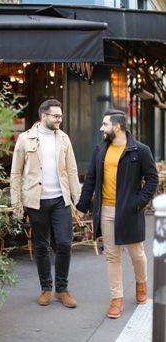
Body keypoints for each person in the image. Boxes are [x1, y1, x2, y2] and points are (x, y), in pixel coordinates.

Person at [76, 109, 158, 319]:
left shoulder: (139, 150)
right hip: (106, 211)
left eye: (105, 124)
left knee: (136, 253)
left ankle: (141, 284)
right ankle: (117, 298)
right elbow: (91, 180)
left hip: (129, 211)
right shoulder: (100, 150)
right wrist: (82, 206)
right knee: (112, 255)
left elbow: (152, 180)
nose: (101, 128)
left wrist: (137, 203)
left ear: (118, 126)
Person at [10, 99, 81, 308]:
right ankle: (46, 288)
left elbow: (72, 170)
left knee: (65, 244)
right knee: (41, 246)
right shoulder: (24, 139)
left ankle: (62, 289)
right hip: (36, 201)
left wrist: (78, 201)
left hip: (61, 200)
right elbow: (16, 172)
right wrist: (16, 203)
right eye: (56, 116)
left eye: (61, 116)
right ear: (44, 116)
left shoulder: (65, 139)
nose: (60, 119)